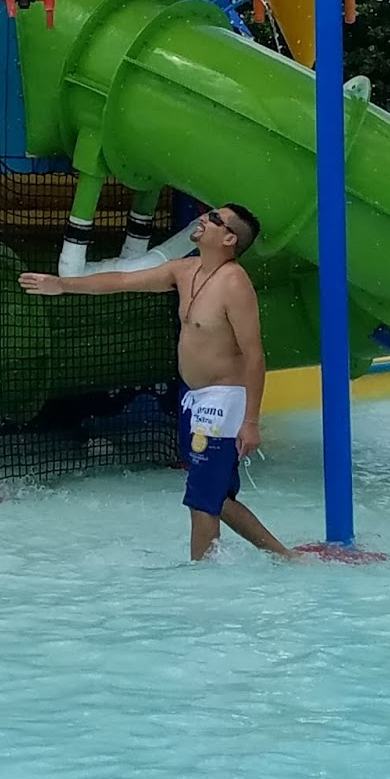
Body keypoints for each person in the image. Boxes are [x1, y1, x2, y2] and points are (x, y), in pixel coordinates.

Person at [22, 203, 295, 563]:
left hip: (223, 401)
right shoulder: (185, 270)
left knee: (202, 499)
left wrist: (251, 422)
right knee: (217, 498)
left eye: (215, 219)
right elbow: (121, 281)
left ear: (229, 238)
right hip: (195, 400)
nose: (204, 218)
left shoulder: (234, 283)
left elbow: (255, 355)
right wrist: (62, 285)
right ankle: (285, 557)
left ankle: (201, 577)